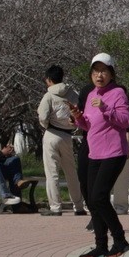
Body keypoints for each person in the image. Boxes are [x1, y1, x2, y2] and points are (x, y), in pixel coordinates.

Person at [67, 52, 129, 257]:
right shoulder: (92, 94)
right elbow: (88, 124)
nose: (99, 75)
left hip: (114, 152)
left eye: (104, 71)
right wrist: (78, 118)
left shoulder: (118, 93)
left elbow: (124, 120)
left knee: (99, 197)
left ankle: (120, 240)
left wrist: (106, 108)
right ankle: (100, 246)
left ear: (111, 73)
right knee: (93, 200)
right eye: (95, 71)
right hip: (95, 152)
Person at [37, 65, 86, 217]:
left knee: (52, 173)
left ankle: (56, 207)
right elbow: (79, 112)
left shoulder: (48, 96)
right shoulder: (72, 94)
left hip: (52, 133)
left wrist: (47, 125)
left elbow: (43, 117)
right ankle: (78, 207)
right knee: (71, 172)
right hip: (67, 135)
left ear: (49, 80)